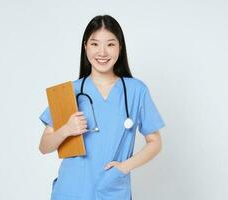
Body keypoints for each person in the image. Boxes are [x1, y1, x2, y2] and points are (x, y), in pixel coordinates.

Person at [39, 14, 165, 200]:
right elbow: (44, 146)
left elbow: (155, 143)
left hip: (112, 189)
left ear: (120, 47)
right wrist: (66, 130)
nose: (102, 52)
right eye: (95, 44)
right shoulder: (69, 91)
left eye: (110, 44)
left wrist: (124, 167)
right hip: (71, 190)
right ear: (85, 47)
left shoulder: (136, 90)